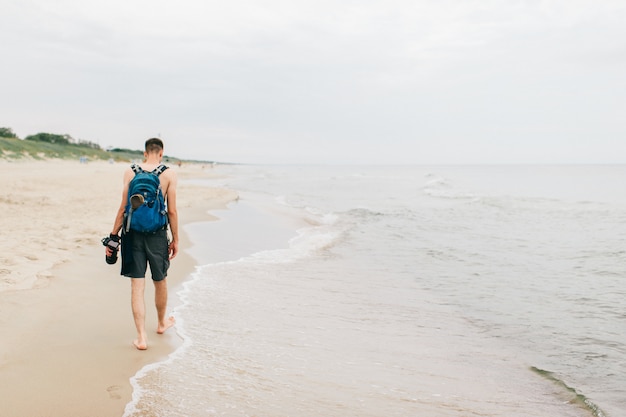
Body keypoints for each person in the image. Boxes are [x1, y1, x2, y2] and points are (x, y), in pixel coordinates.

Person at [106, 138, 178, 350]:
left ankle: (141, 338)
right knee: (160, 280)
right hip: (157, 235)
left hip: (132, 234)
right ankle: (162, 323)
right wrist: (175, 239)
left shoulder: (130, 172)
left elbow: (122, 208)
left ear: (145, 153)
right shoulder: (169, 174)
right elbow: (172, 210)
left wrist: (112, 236)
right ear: (161, 152)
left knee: (137, 286)